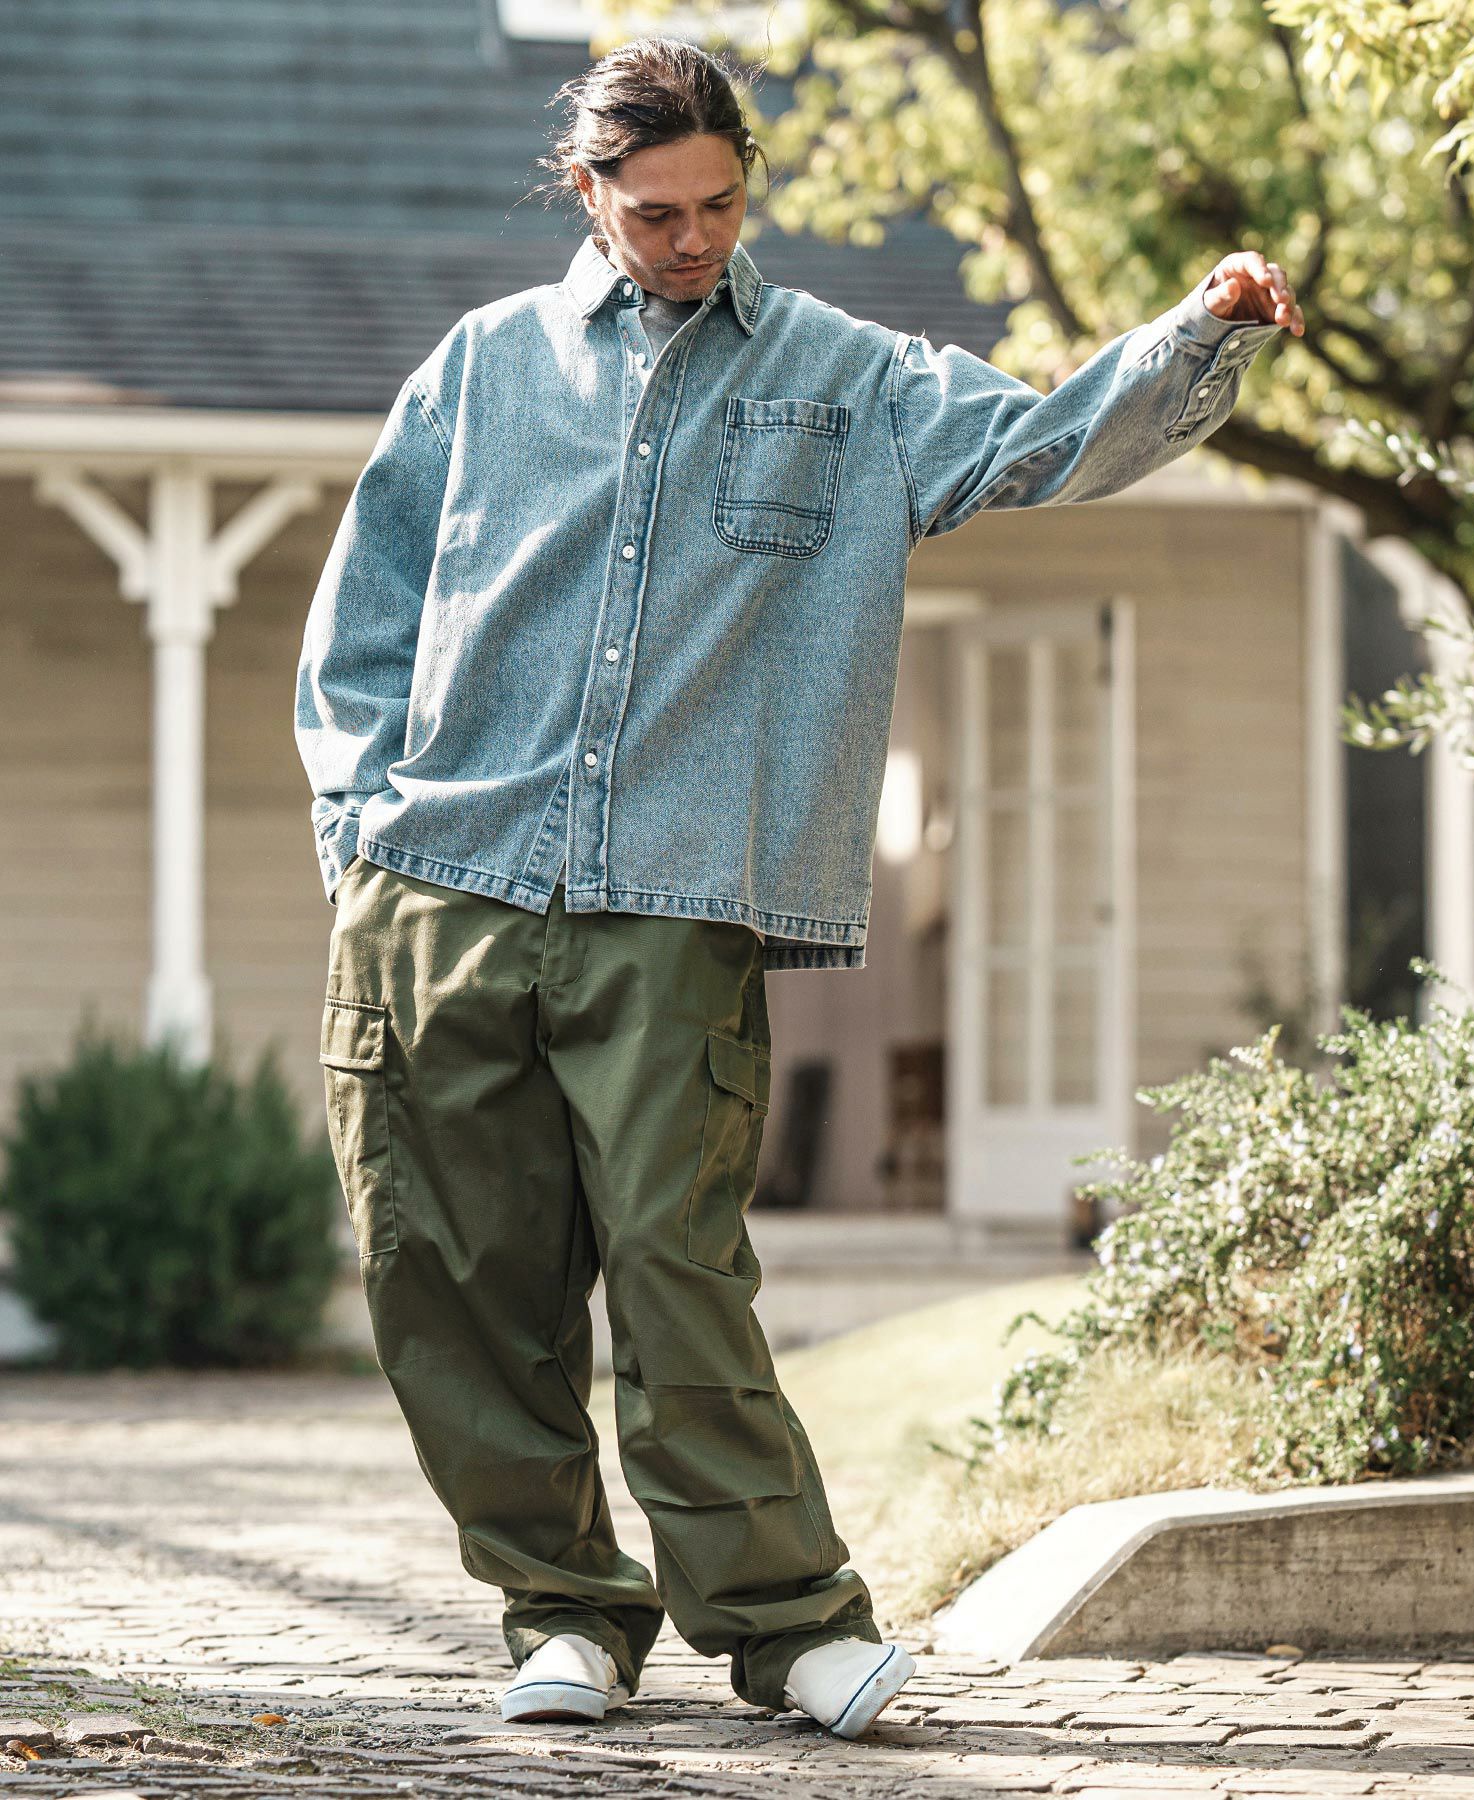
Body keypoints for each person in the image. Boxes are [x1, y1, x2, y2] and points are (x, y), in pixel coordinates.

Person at [293, 34, 1303, 1742]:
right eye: (655, 212)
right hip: (439, 891)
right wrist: (360, 842)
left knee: (676, 1266)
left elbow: (1046, 439)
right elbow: (362, 627)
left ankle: (786, 1622)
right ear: (590, 193)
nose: (692, 238)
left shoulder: (851, 377)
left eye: (719, 204)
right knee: (450, 1283)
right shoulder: (480, 369)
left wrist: (1195, 335)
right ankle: (564, 1613)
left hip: (675, 903)